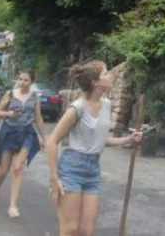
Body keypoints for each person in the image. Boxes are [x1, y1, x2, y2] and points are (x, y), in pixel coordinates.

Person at [46, 60, 141, 236]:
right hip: (71, 169)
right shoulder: (77, 108)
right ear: (95, 82)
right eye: (106, 73)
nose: (110, 75)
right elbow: (52, 141)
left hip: (93, 170)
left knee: (87, 231)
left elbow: (101, 140)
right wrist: (54, 179)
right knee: (70, 230)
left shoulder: (106, 105)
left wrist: (129, 139)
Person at [0, 69, 46, 218]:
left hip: (26, 134)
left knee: (18, 168)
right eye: (20, 79)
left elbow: (38, 118)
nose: (22, 82)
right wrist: (9, 114)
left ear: (31, 82)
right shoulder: (10, 94)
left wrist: (44, 138)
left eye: (26, 80)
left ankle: (13, 206)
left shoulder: (35, 97)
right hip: (9, 133)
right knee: (3, 170)